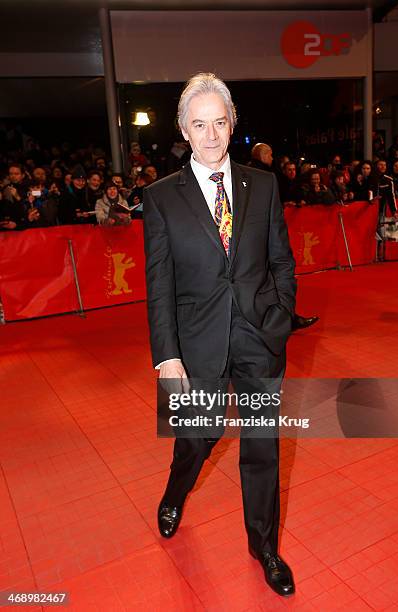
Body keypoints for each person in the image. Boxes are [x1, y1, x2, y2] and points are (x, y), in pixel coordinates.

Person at [144, 73, 296, 597]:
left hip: (259, 339)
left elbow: (282, 261)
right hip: (195, 345)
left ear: (233, 123)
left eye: (220, 122)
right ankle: (174, 491)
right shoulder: (160, 198)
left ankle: (264, 546)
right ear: (184, 131)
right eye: (199, 124)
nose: (211, 135)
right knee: (197, 441)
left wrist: (280, 319)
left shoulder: (266, 184)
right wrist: (167, 357)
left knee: (262, 446)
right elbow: (158, 284)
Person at [248, 147, 318, 331]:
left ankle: (286, 317)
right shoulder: (263, 175)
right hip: (263, 235)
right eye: (270, 154)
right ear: (263, 156)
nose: (272, 157)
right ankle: (285, 319)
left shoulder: (251, 173)